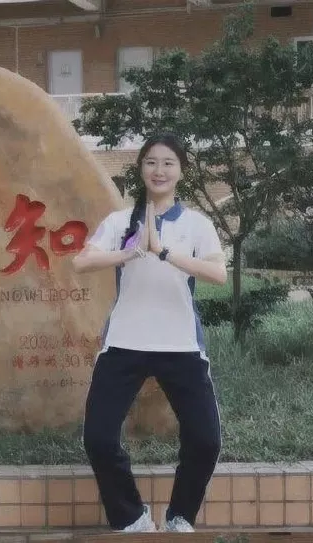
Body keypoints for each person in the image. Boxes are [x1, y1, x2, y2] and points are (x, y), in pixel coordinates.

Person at [72, 132, 227, 533]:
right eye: (151, 162)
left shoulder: (196, 225)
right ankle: (131, 517)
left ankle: (179, 517)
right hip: (124, 343)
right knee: (98, 438)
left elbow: (218, 274)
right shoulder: (121, 221)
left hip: (181, 345)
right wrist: (127, 252)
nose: (159, 170)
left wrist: (163, 251)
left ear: (181, 171)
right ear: (141, 168)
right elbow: (82, 262)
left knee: (206, 440)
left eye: (168, 163)